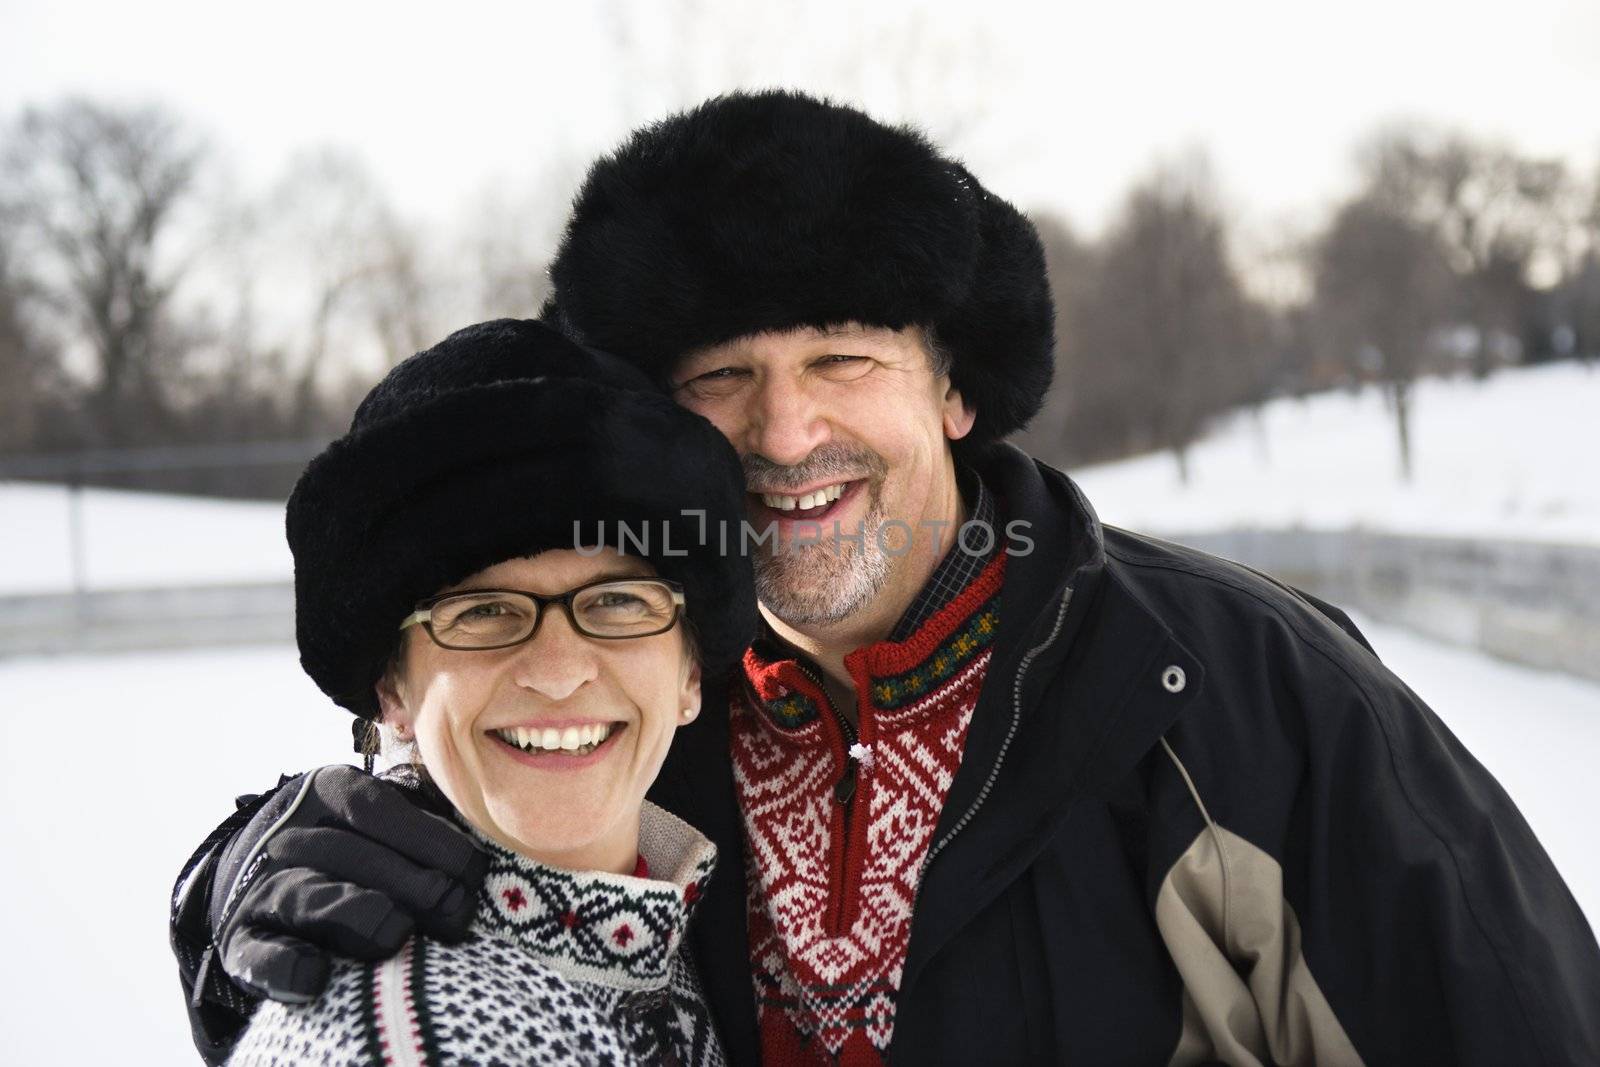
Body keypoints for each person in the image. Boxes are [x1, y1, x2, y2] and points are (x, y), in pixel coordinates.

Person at [175, 92, 1600, 1065]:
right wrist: (242, 874)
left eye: (843, 360)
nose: (787, 434)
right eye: (723, 380)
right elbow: (421, 871)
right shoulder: (632, 690)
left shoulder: (1240, 687)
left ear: (957, 389)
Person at [213, 318, 757, 1064]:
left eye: (619, 601)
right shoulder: (383, 1041)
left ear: (690, 672)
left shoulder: (686, 929)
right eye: (483, 611)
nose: (559, 668)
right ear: (391, 689)